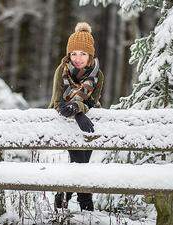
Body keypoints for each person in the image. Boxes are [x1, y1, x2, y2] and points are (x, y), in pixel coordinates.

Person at [48, 22, 104, 212]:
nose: (77, 58)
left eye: (82, 54)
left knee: (82, 160)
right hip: (65, 123)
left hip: (88, 121)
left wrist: (79, 109)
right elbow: (57, 103)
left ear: (90, 55)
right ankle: (84, 199)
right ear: (68, 54)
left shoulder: (98, 75)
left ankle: (65, 194)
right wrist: (76, 111)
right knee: (80, 160)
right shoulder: (61, 71)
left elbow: (92, 101)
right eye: (73, 54)